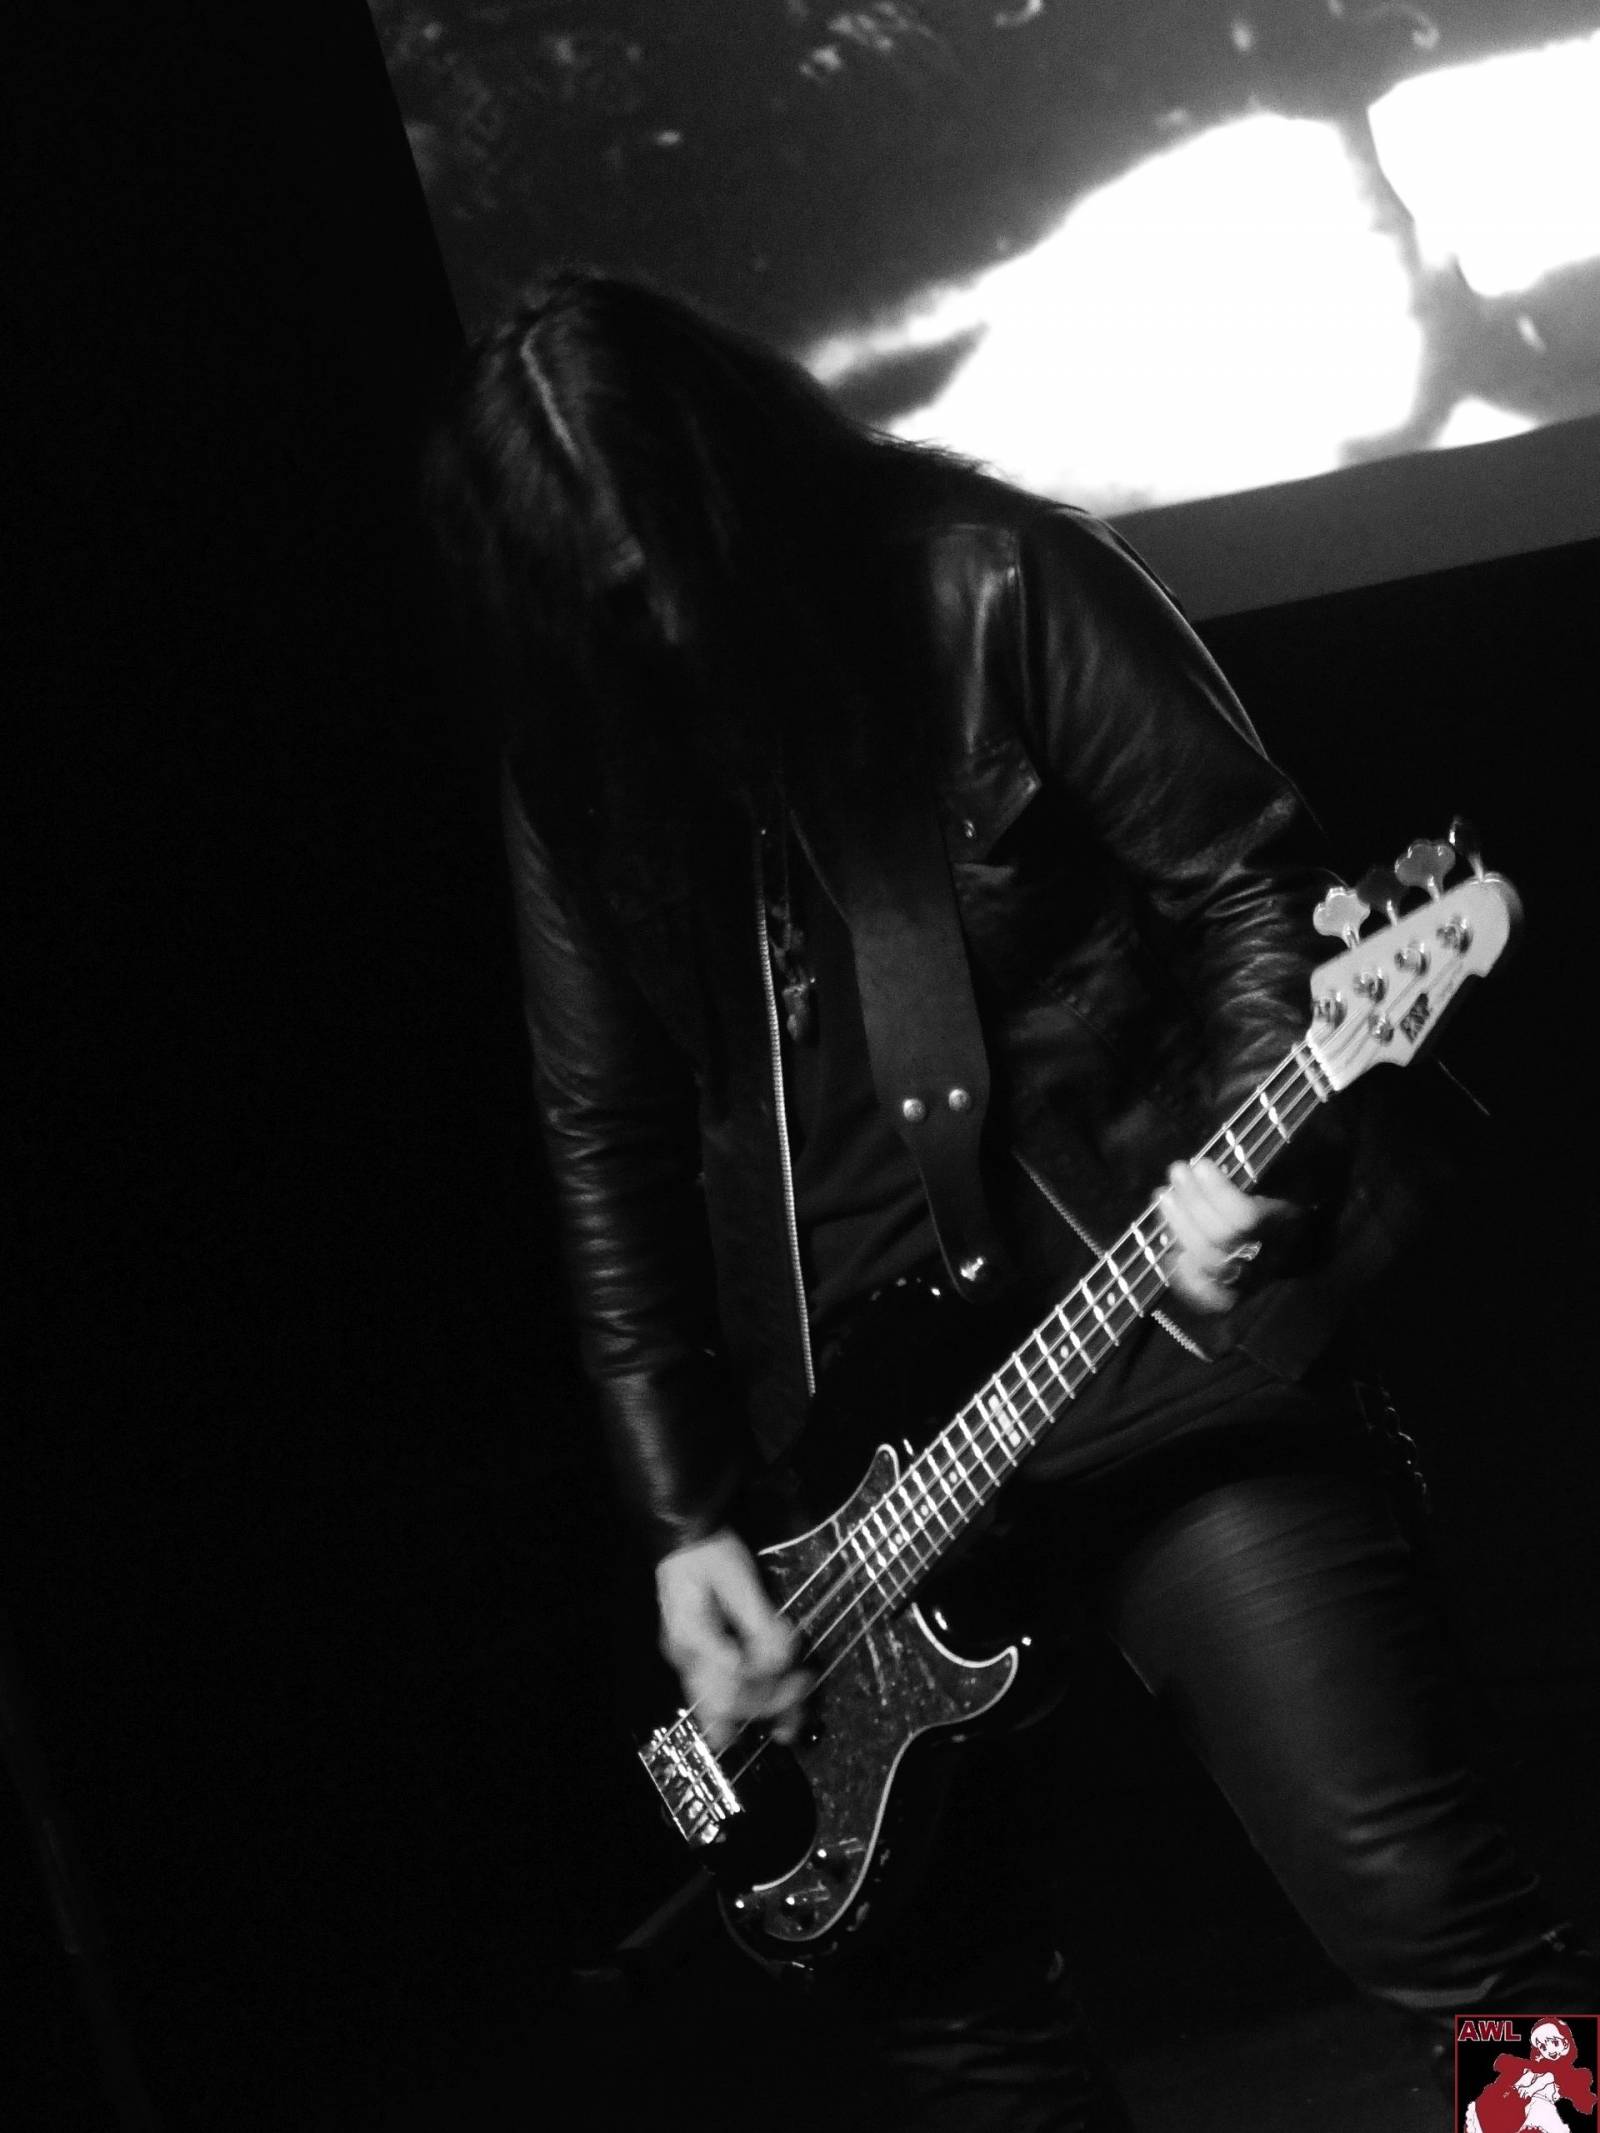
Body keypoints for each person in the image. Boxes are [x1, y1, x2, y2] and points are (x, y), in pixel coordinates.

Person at [426, 268, 1593, 2128]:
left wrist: (1251, 1160)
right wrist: (686, 1519)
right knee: (977, 2057)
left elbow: (1249, 882)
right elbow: (604, 1140)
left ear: (745, 487)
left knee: (1450, 1932)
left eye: (681, 571)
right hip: (854, 1484)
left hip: (1162, 1359)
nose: (671, 628)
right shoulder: (580, 761)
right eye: (618, 605)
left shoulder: (991, 583)